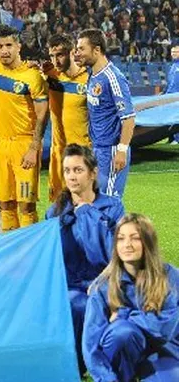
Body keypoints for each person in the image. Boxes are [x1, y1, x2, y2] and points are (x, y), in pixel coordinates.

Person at [83, 213, 179, 382]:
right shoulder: (102, 285)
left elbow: (164, 328)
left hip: (163, 349)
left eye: (135, 238)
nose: (127, 245)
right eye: (121, 239)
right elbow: (90, 342)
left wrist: (123, 316)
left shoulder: (171, 276)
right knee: (122, 332)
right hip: (125, 345)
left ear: (148, 242)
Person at [45, 145, 125, 367]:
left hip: (106, 283)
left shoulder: (113, 207)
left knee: (94, 303)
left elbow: (114, 252)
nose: (72, 176)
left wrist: (85, 212)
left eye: (78, 170)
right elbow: (50, 257)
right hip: (71, 286)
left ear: (93, 173)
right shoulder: (55, 212)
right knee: (75, 302)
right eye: (67, 170)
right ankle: (77, 365)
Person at [0, 25, 48, 230]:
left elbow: (42, 114)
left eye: (9, 45)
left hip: (24, 144)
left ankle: (31, 247)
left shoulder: (33, 76)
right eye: (0, 46)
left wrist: (34, 148)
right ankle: (11, 246)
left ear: (18, 46)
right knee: (5, 203)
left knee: (26, 205)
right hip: (0, 143)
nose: (4, 51)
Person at [75, 29, 135, 199]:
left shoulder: (113, 77)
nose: (77, 53)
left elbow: (129, 118)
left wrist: (121, 150)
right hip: (97, 149)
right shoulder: (92, 74)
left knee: (107, 202)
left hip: (112, 150)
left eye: (81, 49)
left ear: (97, 50)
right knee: (94, 200)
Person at [43, 35, 90, 200]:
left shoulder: (89, 78)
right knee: (59, 205)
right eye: (52, 56)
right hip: (58, 154)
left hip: (82, 153)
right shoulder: (50, 75)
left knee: (82, 204)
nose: (55, 61)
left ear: (72, 52)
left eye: (60, 55)